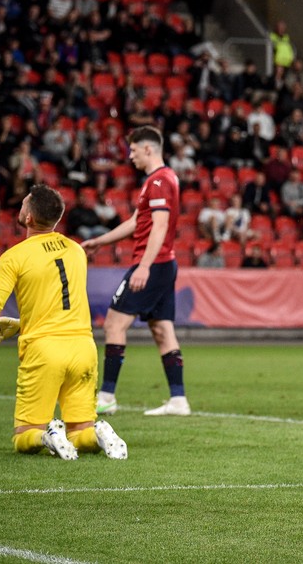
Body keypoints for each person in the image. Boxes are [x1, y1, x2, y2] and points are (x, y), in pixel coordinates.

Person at [0, 184, 127, 460]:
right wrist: (21, 323)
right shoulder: (76, 251)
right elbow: (63, 302)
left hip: (44, 352)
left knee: (23, 437)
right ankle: (100, 434)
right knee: (80, 432)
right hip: (83, 350)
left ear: (29, 217)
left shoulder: (14, 257)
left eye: (23, 205)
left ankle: (47, 435)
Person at [81, 127, 191, 417]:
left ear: (147, 149)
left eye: (132, 150)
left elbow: (160, 225)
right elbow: (135, 222)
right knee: (162, 329)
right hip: (164, 263)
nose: (129, 156)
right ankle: (178, 400)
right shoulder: (164, 179)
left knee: (114, 325)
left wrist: (143, 266)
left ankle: (106, 396)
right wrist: (100, 242)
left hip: (152, 264)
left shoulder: (158, 181)